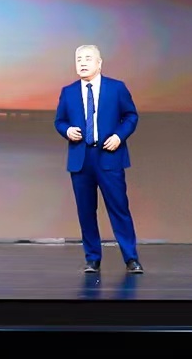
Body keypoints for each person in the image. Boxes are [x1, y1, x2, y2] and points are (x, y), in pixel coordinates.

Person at [54, 44, 143, 274]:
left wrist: (119, 137)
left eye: (87, 58)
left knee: (119, 208)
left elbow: (131, 116)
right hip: (81, 159)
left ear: (99, 63)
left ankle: (131, 258)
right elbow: (59, 121)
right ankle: (92, 258)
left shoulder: (116, 88)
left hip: (109, 156)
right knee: (86, 212)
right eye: (78, 59)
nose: (82, 63)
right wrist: (67, 131)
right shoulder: (68, 91)